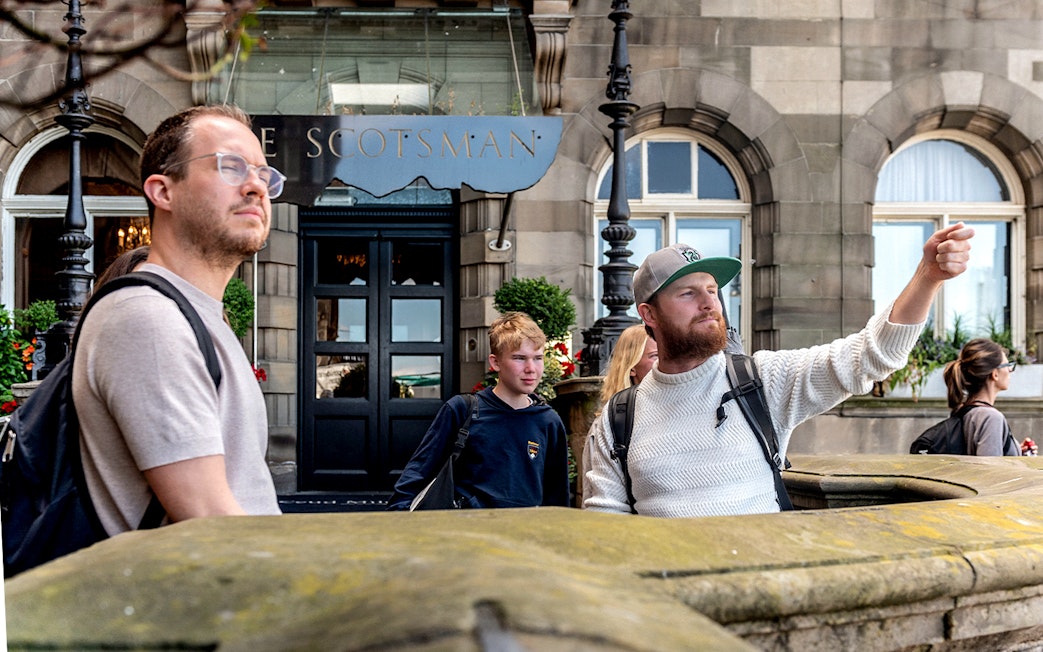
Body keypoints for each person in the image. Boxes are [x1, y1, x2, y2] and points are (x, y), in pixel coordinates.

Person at [584, 223, 975, 518]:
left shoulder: (762, 380)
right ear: (649, 314)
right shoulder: (618, 421)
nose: (709, 303)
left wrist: (927, 277)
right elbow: (605, 531)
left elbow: (871, 355)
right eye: (688, 293)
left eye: (712, 290)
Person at [72, 104, 283, 535]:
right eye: (230, 167)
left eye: (264, 175)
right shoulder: (147, 319)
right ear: (163, 191)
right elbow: (210, 524)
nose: (256, 188)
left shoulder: (197, 315)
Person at [387, 311, 570, 510]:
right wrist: (398, 517)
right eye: (519, 358)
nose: (531, 368)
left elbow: (557, 498)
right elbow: (419, 472)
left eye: (538, 358)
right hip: (468, 526)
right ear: (495, 362)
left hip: (524, 527)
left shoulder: (548, 421)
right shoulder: (462, 410)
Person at [580, 324, 657, 504]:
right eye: (655, 356)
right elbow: (595, 498)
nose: (664, 362)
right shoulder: (608, 426)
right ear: (632, 366)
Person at [943, 338, 1036, 456]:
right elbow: (990, 467)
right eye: (1007, 365)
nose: (1010, 370)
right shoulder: (991, 418)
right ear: (995, 374)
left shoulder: (962, 411)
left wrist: (1016, 451)